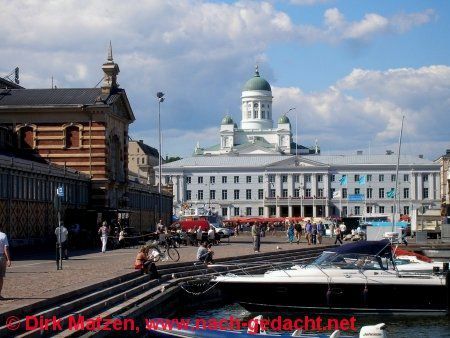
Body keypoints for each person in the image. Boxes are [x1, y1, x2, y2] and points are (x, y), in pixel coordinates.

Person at [0, 227, 11, 299]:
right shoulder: (3, 235)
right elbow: (6, 248)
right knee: (0, 277)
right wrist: (8, 259)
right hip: (1, 257)